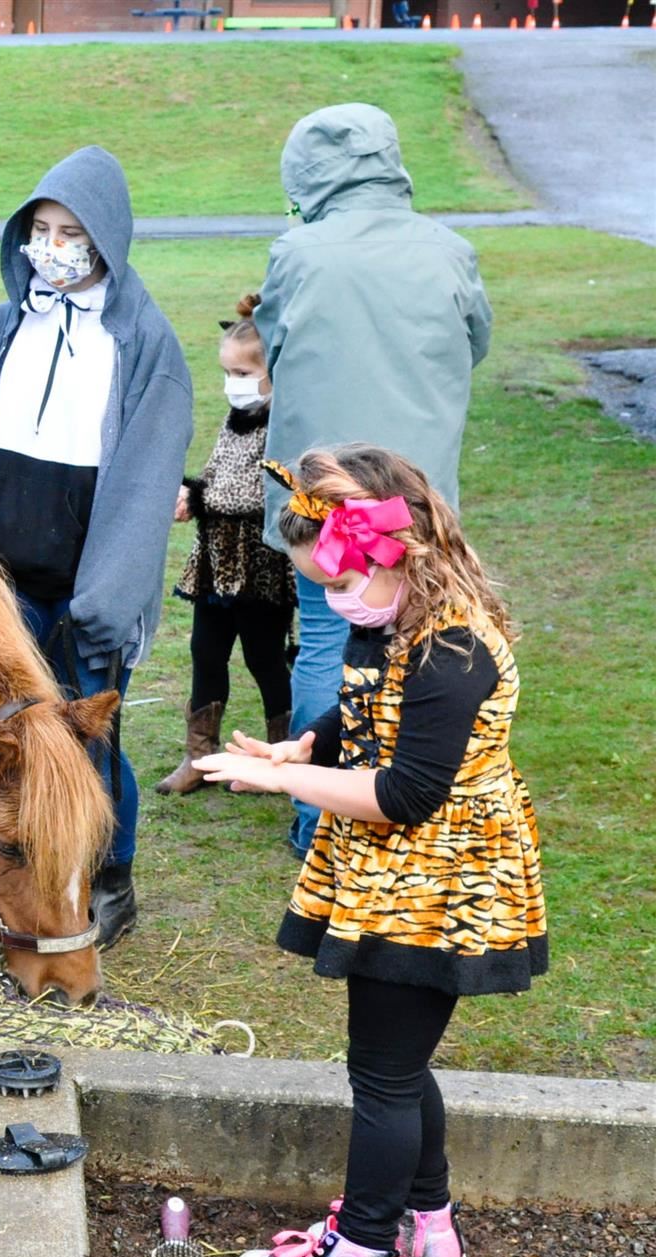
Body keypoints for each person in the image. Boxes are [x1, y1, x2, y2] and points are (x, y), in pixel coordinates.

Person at [195, 445, 544, 1257]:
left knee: (382, 1077)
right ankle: (428, 1233)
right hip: (397, 875)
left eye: (342, 587)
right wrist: (302, 745)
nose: (334, 603)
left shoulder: (454, 647)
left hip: (442, 883)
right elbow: (360, 706)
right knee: (396, 1064)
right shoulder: (388, 614)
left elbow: (402, 794)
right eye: (321, 588)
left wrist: (283, 785)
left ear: (403, 551)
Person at [0, 144, 194, 945]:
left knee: (90, 744)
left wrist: (106, 603)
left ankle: (111, 877)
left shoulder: (144, 343)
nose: (51, 245)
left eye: (69, 230)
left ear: (105, 237)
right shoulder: (4, 328)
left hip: (90, 594)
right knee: (15, 743)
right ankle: (33, 879)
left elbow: (147, 484)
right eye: (40, 228)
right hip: (9, 582)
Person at [254, 103, 492, 858]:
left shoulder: (298, 252)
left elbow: (273, 343)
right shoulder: (449, 250)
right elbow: (474, 340)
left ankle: (319, 817)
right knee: (423, 635)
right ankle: (408, 786)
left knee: (328, 639)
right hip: (418, 498)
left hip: (325, 495)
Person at [155, 294, 294, 795]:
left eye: (241, 373)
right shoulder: (234, 421)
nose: (231, 385)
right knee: (205, 653)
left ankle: (284, 759)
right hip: (216, 563)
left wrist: (200, 496)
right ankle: (201, 757)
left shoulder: (282, 427)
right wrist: (191, 494)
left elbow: (254, 492)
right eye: (227, 373)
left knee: (265, 659)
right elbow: (218, 476)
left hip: (260, 565)